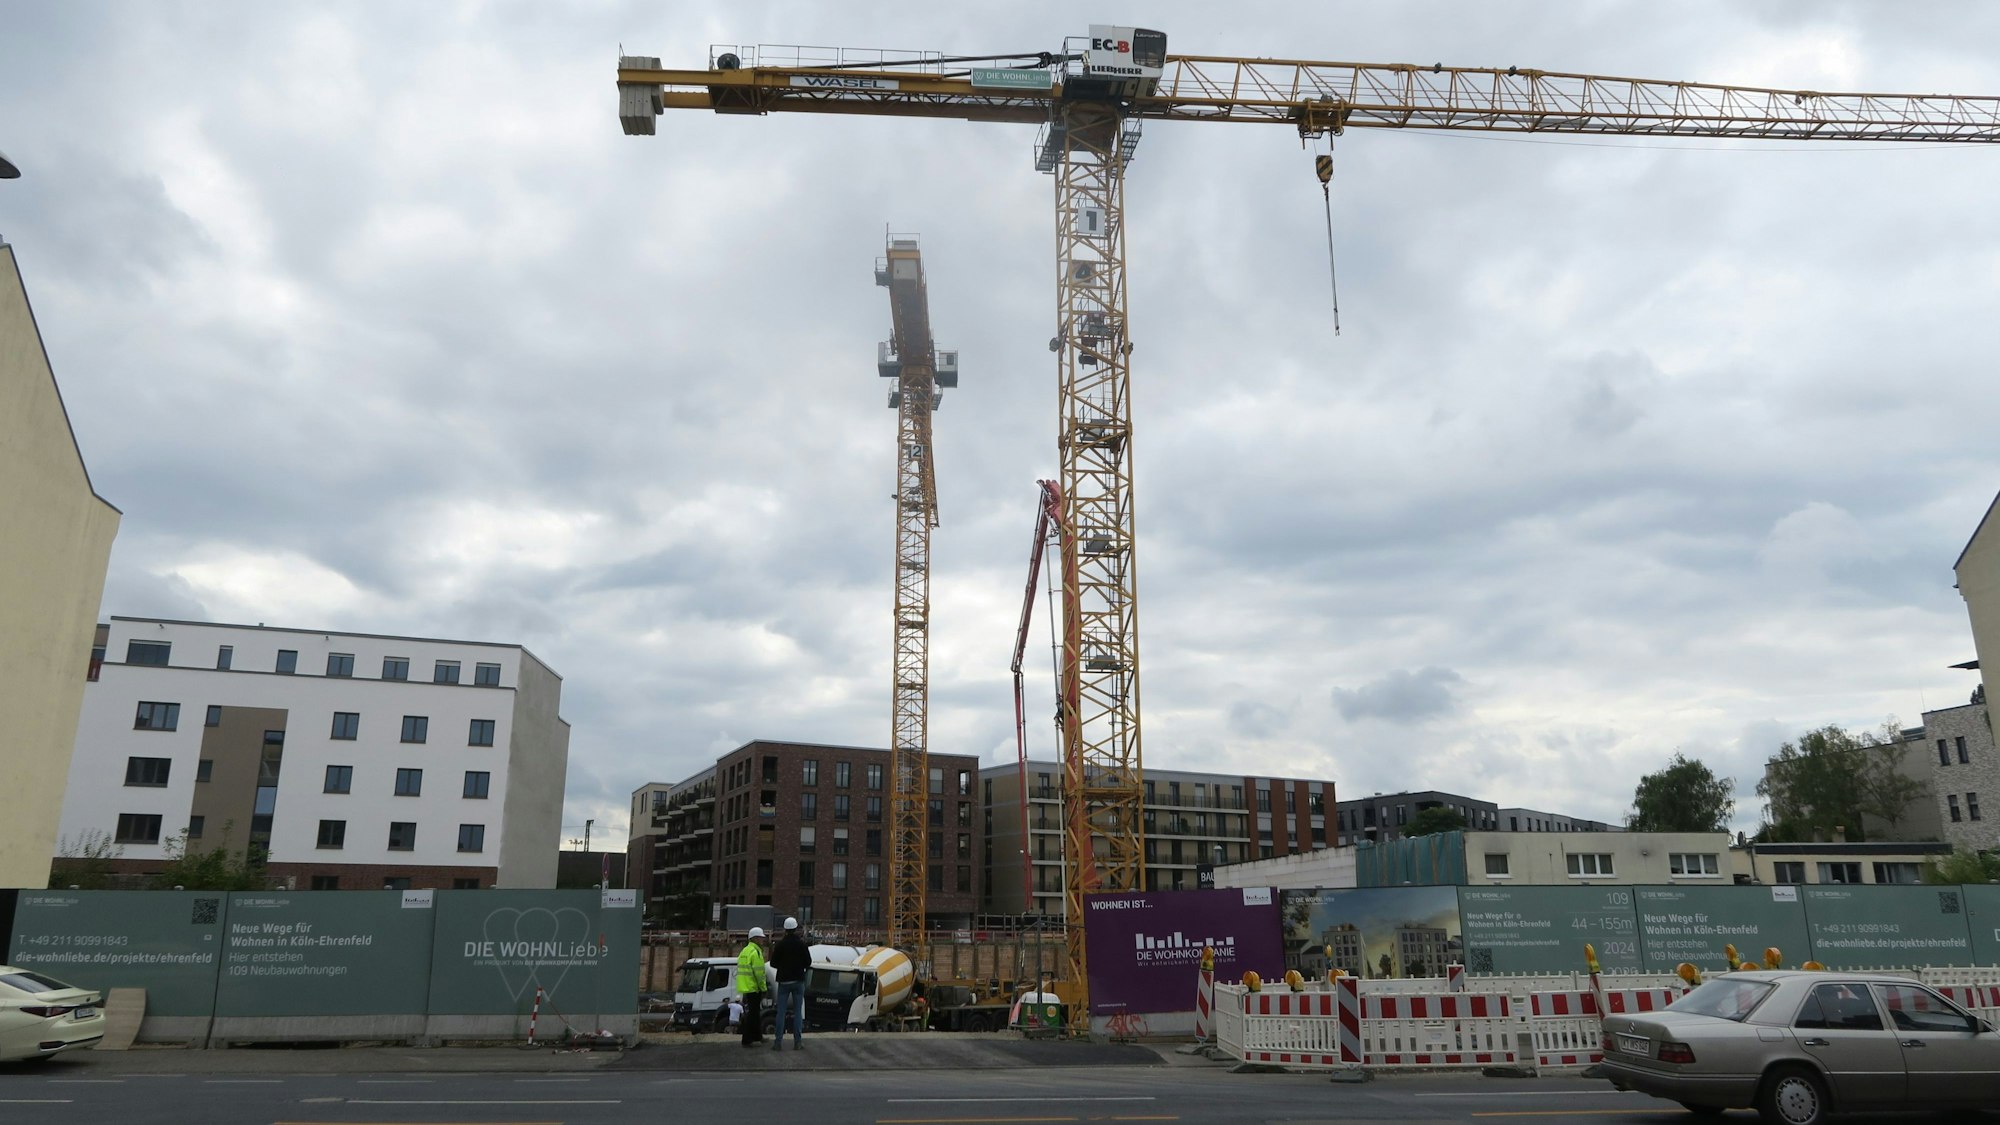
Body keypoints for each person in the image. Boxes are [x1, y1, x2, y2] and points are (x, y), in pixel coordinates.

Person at [770, 916, 811, 1050]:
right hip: (798, 980)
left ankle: (778, 1042)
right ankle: (798, 1042)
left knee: (780, 1012)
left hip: (784, 981)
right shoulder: (801, 944)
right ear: (795, 929)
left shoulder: (780, 945)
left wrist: (783, 966)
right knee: (798, 1012)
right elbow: (808, 962)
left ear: (785, 929)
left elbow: (773, 963)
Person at [736, 926, 769, 1047]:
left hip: (745, 986)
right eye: (760, 938)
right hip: (754, 987)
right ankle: (747, 1039)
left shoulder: (744, 951)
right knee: (753, 1014)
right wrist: (763, 988)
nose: (762, 940)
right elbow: (759, 973)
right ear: (754, 939)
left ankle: (757, 1036)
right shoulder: (756, 952)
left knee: (753, 1013)